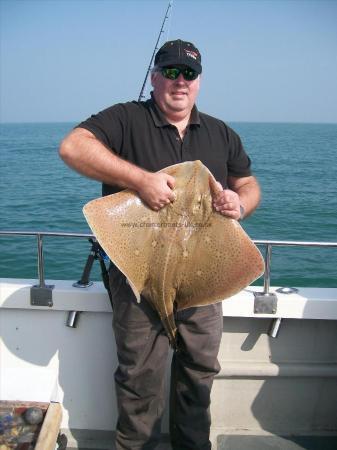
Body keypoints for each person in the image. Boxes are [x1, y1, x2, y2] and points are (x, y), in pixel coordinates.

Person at [59, 39, 261, 450]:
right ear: (154, 77)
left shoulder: (221, 133)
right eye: (170, 72)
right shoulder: (127, 118)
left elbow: (248, 184)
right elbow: (73, 147)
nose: (179, 81)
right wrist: (140, 180)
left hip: (205, 278)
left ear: (199, 82)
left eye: (188, 74)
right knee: (139, 377)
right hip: (138, 278)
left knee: (199, 373)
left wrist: (240, 202)